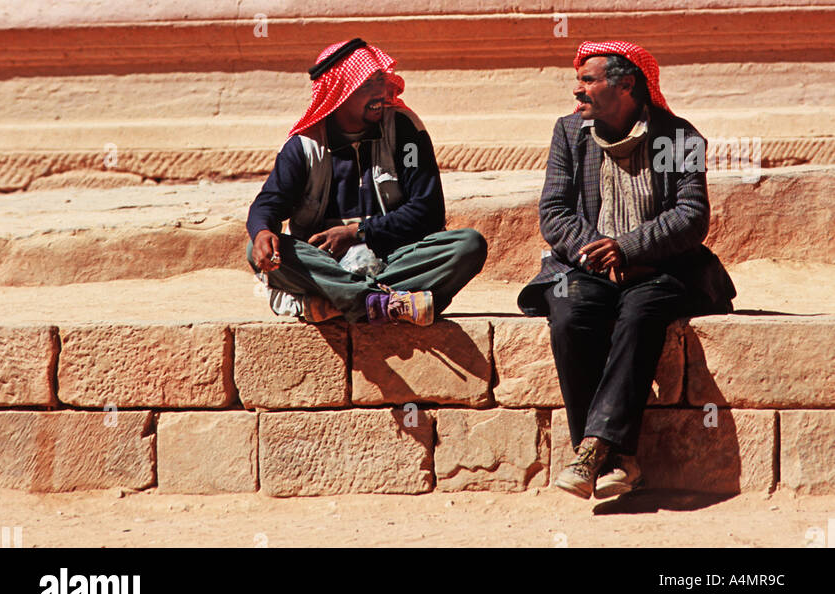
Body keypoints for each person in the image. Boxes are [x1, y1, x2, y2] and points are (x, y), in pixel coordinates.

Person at [518, 39, 736, 500]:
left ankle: (593, 447)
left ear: (626, 85)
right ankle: (618, 458)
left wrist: (628, 247)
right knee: (572, 315)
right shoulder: (568, 134)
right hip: (585, 265)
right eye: (578, 81)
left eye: (588, 81)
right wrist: (596, 251)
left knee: (640, 316)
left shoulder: (680, 138)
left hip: (660, 268)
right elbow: (554, 212)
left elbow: (690, 216)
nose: (577, 91)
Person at [246, 37, 487, 326]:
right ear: (340, 93)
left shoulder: (404, 131)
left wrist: (356, 233)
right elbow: (269, 203)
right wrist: (261, 232)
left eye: (382, 82)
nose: (382, 93)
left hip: (393, 259)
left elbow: (427, 211)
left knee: (468, 245)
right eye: (368, 85)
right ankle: (384, 303)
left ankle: (342, 301)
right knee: (257, 250)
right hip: (327, 264)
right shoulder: (304, 147)